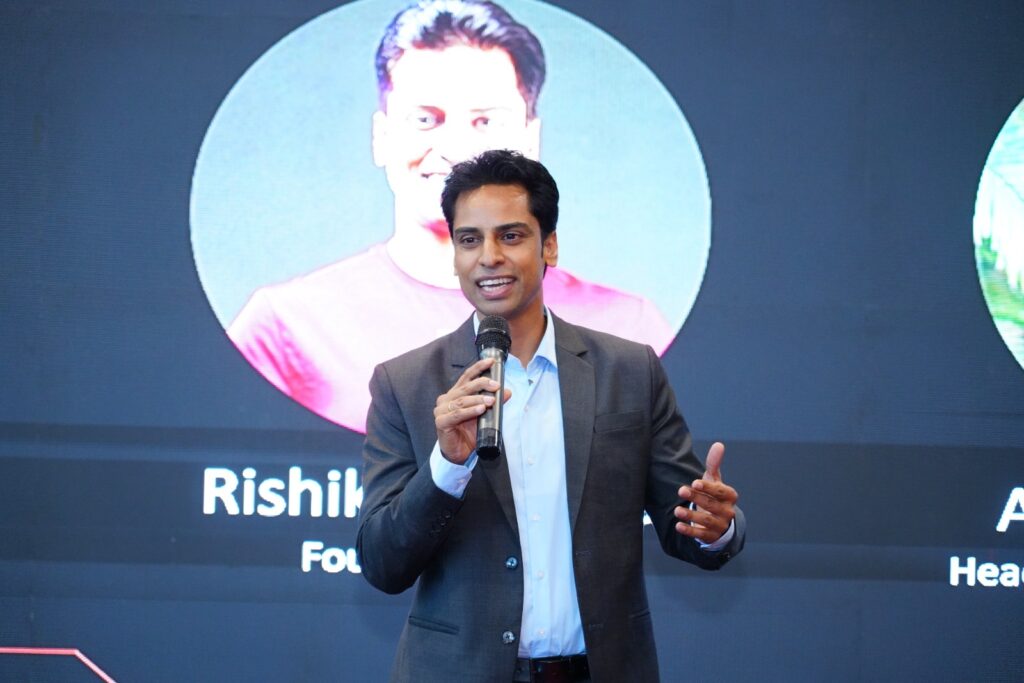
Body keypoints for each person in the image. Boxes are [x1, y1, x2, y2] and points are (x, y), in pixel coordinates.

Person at [357, 150, 745, 682]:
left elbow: (687, 523)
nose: (489, 257)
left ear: (550, 246)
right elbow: (383, 564)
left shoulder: (629, 371)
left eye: (511, 236)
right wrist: (446, 466)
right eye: (469, 240)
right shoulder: (404, 384)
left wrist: (713, 528)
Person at [227, 0, 675, 433]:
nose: (455, 150)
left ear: (530, 139)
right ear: (382, 136)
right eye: (426, 119)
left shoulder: (629, 329)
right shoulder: (286, 326)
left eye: (486, 122)